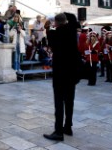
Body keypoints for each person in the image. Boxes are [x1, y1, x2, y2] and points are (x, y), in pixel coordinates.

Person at [43, 12, 81, 141]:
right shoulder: (72, 32)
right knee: (69, 101)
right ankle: (68, 127)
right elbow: (72, 21)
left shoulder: (56, 33)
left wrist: (48, 26)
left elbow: (51, 43)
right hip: (72, 74)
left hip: (61, 74)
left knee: (59, 102)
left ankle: (58, 131)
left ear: (57, 23)